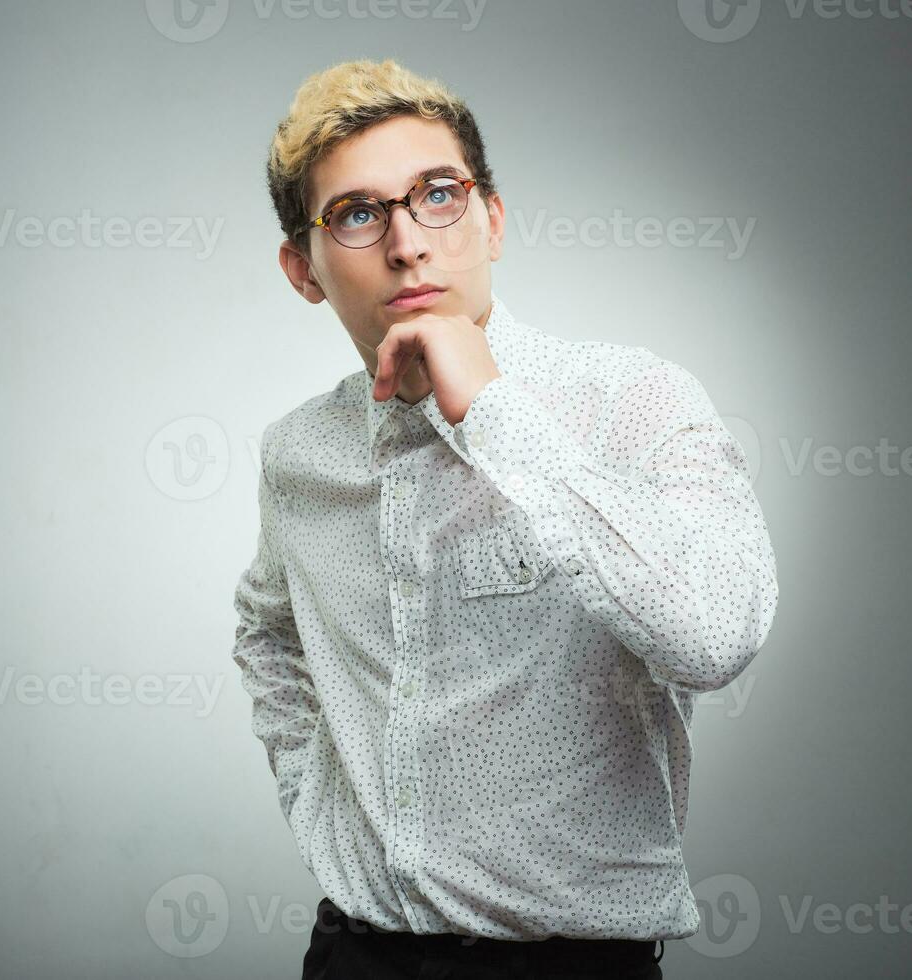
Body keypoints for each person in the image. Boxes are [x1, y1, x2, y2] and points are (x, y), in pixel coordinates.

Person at [232, 57, 779, 979]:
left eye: (437, 195)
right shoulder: (298, 456)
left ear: (491, 217)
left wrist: (492, 410)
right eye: (358, 213)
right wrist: (318, 800)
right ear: (304, 268)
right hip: (356, 957)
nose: (407, 242)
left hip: (573, 966)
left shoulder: (631, 400)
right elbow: (267, 634)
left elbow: (716, 634)